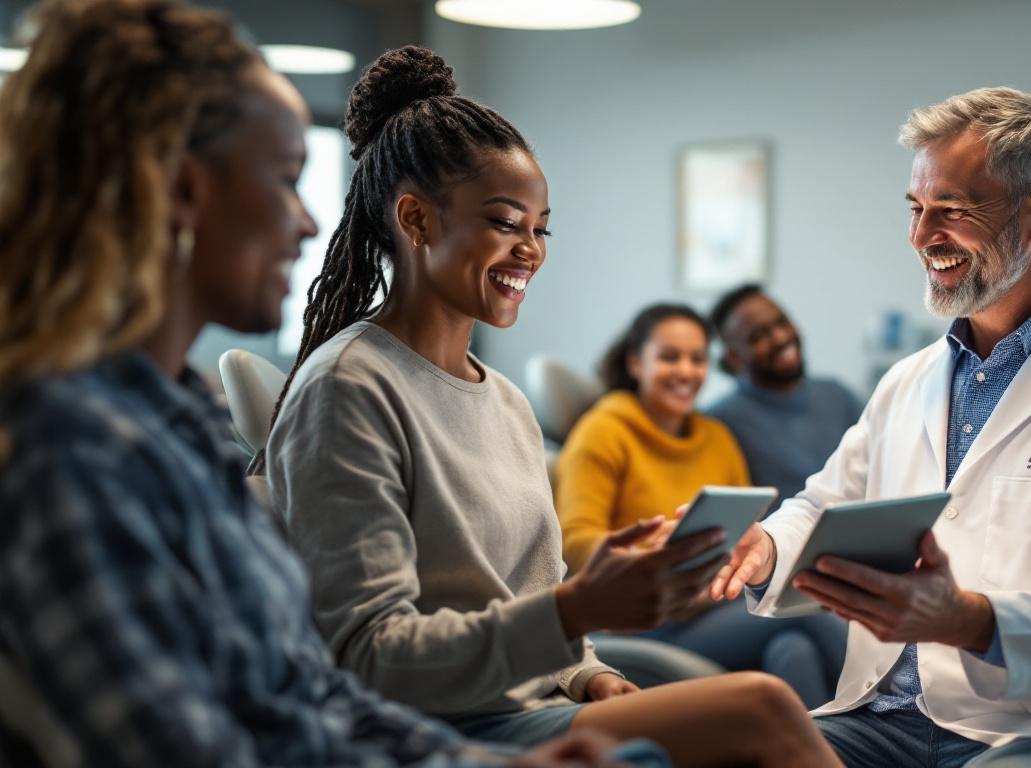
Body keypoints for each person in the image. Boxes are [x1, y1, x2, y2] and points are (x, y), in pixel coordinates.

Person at [0, 2, 653, 767]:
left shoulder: (179, 425)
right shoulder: (73, 457)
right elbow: (203, 744)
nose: (310, 223)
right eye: (284, 179)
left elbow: (309, 700)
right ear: (182, 192)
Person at [264, 46, 840, 768]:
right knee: (760, 709)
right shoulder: (349, 387)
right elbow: (367, 656)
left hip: (534, 710)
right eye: (507, 223)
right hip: (433, 731)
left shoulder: (504, 403)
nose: (531, 250)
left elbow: (533, 609)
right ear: (414, 218)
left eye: (542, 228)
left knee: (775, 682)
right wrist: (577, 612)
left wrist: (588, 672)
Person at [711, 87, 1031, 768]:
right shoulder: (907, 383)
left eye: (951, 211)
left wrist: (972, 620)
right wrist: (767, 550)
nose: (922, 236)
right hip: (884, 719)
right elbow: (823, 506)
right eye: (916, 209)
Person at [555, 303, 847, 708]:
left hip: (712, 606)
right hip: (642, 621)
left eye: (697, 359)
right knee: (809, 606)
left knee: (795, 649)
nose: (687, 371)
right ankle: (907, 718)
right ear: (636, 362)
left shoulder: (717, 438)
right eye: (670, 357)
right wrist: (662, 558)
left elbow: (748, 534)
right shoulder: (602, 431)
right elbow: (574, 542)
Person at [707, 284, 863, 501]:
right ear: (734, 358)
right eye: (758, 337)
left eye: (782, 322)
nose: (780, 338)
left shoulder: (837, 395)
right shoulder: (720, 422)